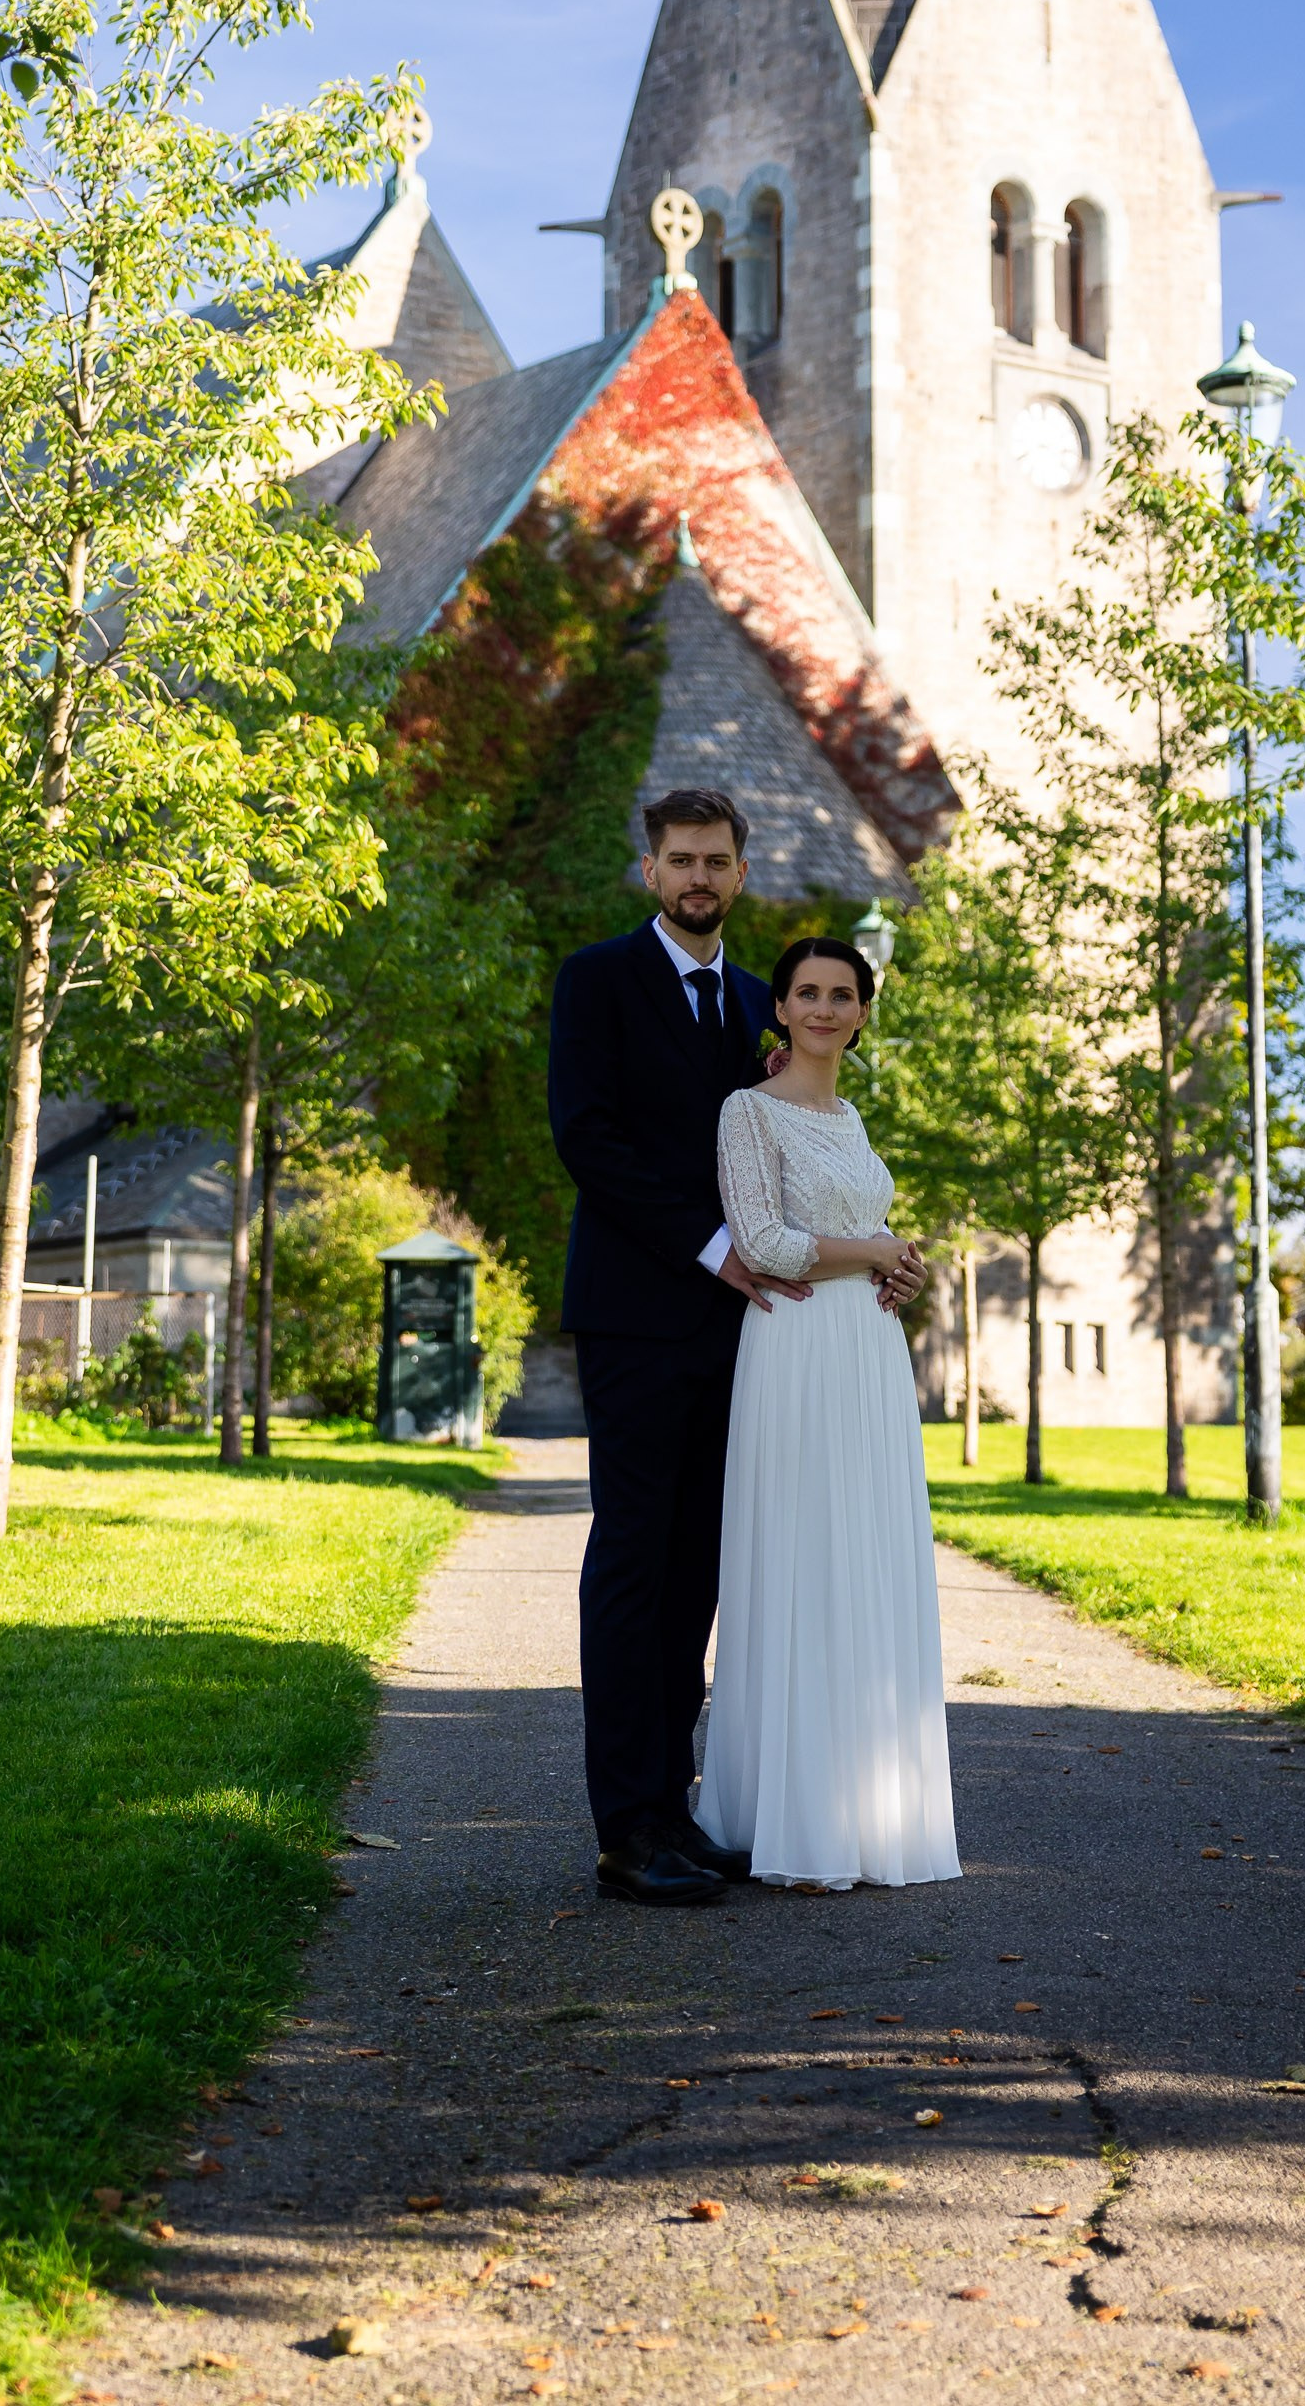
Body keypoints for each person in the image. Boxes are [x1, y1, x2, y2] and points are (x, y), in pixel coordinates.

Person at [547, 787, 807, 1907]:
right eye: (681, 860)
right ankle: (623, 1830)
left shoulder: (761, 1003)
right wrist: (709, 1248)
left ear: (741, 875)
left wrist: (865, 1250)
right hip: (637, 1317)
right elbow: (588, 1139)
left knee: (699, 1568)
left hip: (740, 1329)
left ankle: (676, 1808)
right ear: (647, 872)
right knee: (634, 1564)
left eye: (718, 862)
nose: (700, 878)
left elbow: (795, 1150)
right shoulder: (596, 982)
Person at [696, 935, 960, 1891]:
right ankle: (790, 1821)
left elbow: (854, 1237)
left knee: (866, 1556)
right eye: (805, 992)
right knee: (801, 1556)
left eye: (841, 995)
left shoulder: (850, 1117)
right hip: (796, 1349)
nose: (822, 1007)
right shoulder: (747, 1112)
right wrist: (875, 1247)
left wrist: (898, 1263)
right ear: (779, 1009)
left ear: (861, 1012)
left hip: (867, 1353)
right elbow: (763, 1241)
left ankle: (868, 1809)